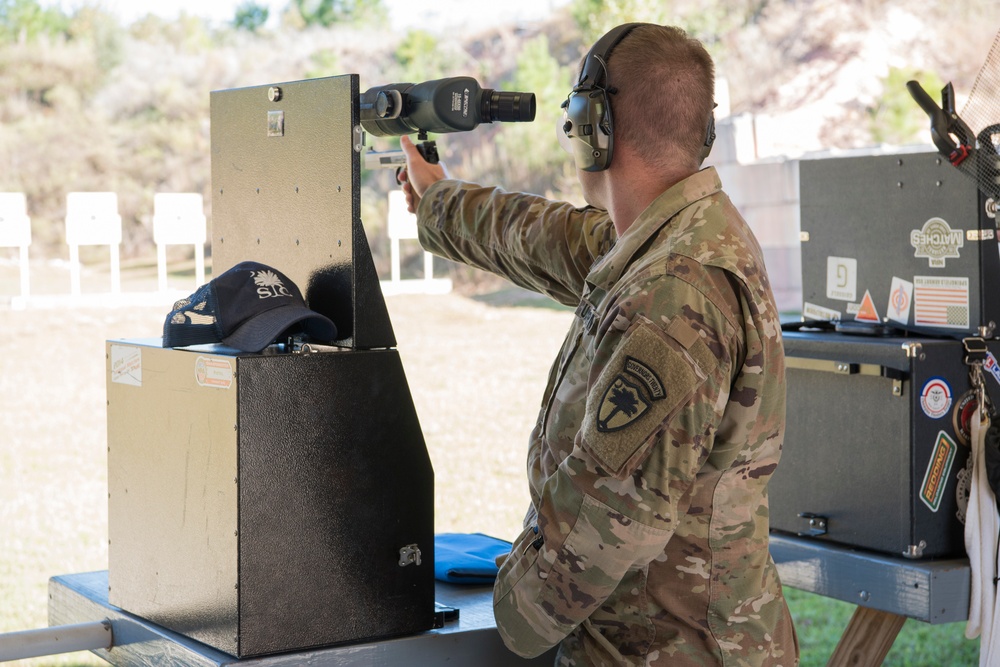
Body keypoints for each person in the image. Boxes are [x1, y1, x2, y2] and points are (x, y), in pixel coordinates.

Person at [399, 22, 798, 667]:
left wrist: (499, 614)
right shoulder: (668, 237)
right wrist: (440, 202)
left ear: (594, 127)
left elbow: (600, 530)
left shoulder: (675, 292)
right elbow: (544, 237)